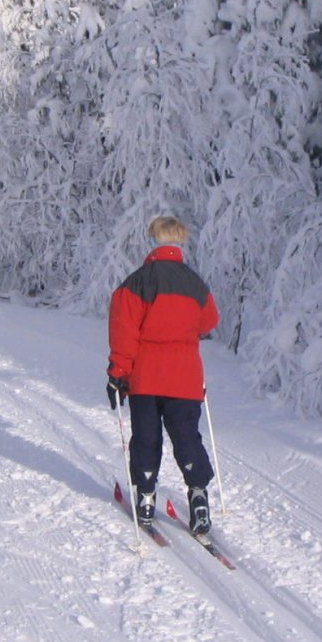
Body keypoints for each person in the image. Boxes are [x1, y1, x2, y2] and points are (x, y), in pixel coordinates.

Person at [106, 215, 219, 535]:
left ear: (152, 241)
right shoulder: (195, 283)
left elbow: (123, 331)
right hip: (185, 377)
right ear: (180, 244)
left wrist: (117, 373)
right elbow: (209, 321)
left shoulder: (138, 282)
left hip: (147, 377)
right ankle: (198, 496)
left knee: (146, 437)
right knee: (186, 437)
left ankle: (145, 498)